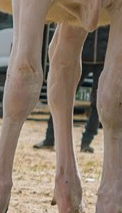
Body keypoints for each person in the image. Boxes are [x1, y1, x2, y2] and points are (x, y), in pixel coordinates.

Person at [34, 24, 108, 153]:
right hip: (81, 55)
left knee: (98, 103)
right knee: (62, 97)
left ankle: (86, 141)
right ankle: (50, 138)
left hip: (102, 59)